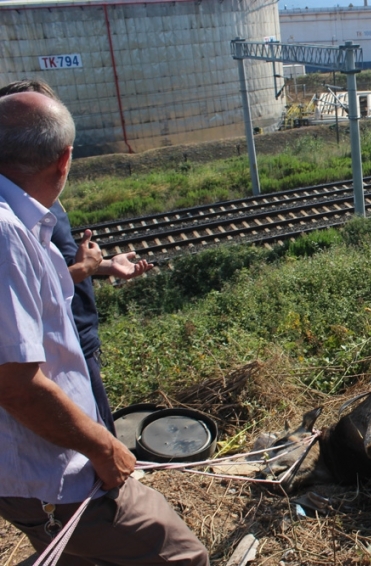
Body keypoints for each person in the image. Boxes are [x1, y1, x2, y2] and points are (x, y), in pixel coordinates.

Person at [0, 91, 208, 565]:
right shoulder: (6, 232)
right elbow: (13, 384)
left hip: (32, 470)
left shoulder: (23, 221)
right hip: (54, 472)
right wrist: (104, 447)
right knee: (184, 556)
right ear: (64, 160)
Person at [0, 79, 154, 434]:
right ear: (62, 157)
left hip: (74, 331)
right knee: (92, 430)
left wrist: (101, 266)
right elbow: (24, 291)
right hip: (54, 344)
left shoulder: (34, 201)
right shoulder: (11, 226)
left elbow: (39, 270)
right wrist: (81, 271)